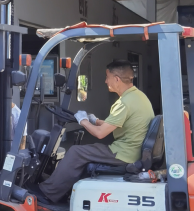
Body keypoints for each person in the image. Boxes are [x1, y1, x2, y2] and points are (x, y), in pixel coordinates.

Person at [38, 60, 154, 203]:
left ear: (117, 79)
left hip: (124, 154)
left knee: (76, 152)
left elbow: (100, 134)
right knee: (86, 150)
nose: (105, 81)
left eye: (107, 77)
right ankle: (64, 188)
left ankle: (48, 193)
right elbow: (117, 124)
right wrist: (95, 120)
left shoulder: (124, 103)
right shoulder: (137, 96)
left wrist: (83, 121)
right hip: (132, 150)